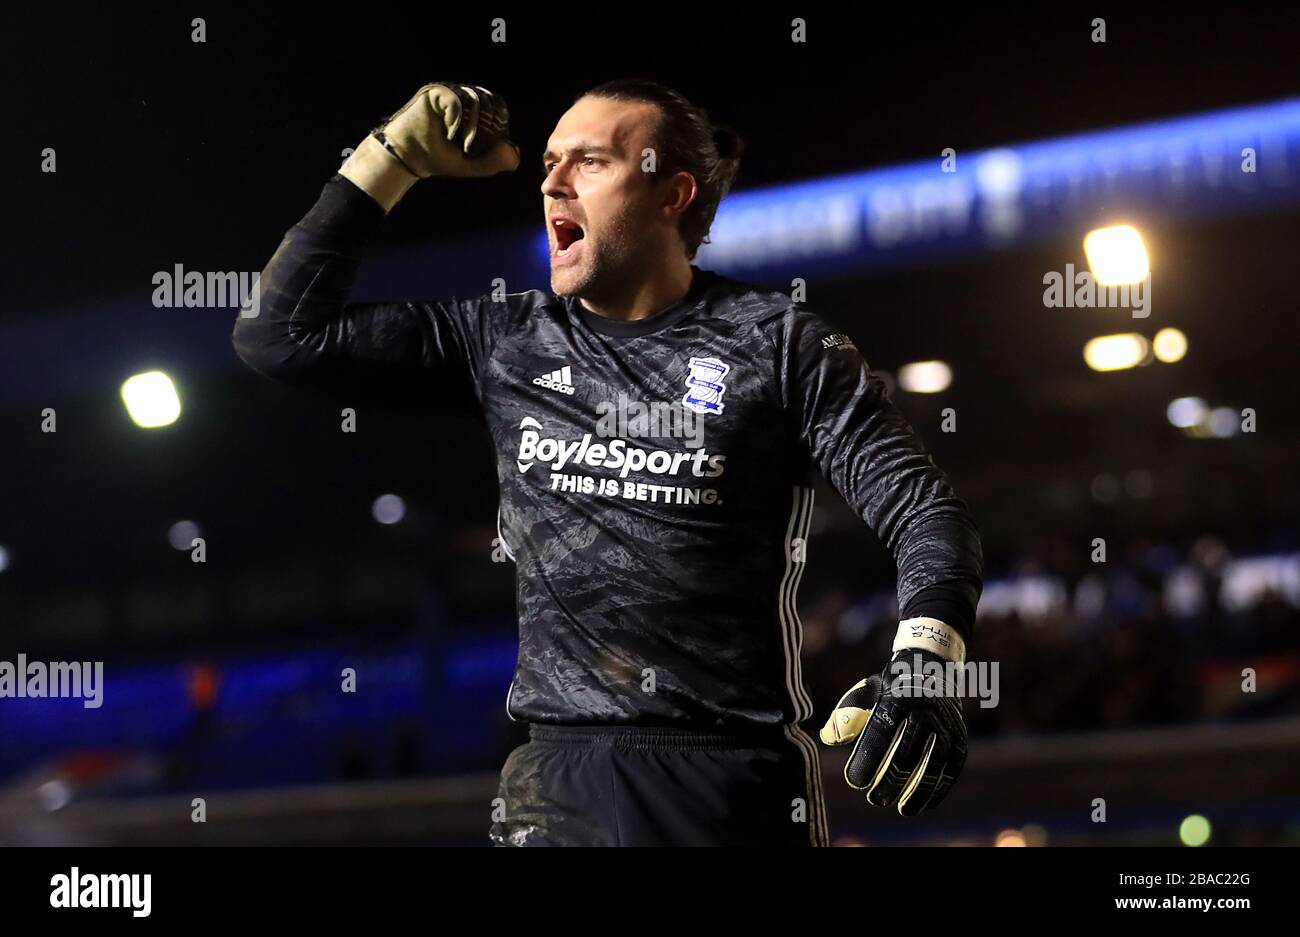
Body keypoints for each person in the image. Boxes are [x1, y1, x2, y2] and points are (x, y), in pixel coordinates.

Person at [232, 79, 983, 846]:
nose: (552, 180)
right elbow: (279, 335)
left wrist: (926, 660)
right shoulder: (506, 339)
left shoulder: (778, 344)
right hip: (553, 790)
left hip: (727, 791)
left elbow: (923, 510)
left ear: (671, 193)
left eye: (588, 162)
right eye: (551, 162)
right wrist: (389, 158)